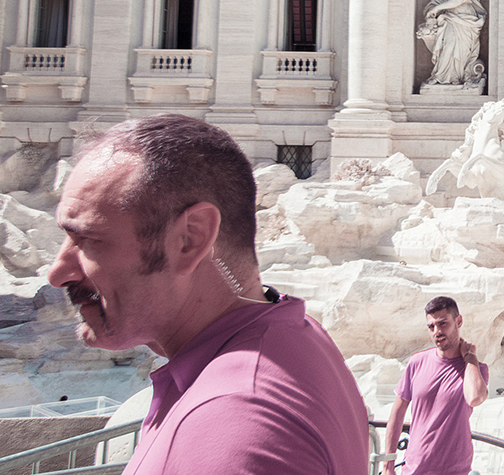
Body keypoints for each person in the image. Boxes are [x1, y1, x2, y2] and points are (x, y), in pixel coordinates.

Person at [46, 114, 369, 474]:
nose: (56, 273)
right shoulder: (294, 331)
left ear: (191, 239)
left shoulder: (234, 423)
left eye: (88, 240)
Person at [383, 296, 488, 475]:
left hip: (454, 470)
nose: (436, 331)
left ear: (458, 321)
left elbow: (475, 397)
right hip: (413, 468)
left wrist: (470, 357)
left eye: (443, 323)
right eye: (431, 326)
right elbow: (397, 413)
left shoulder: (475, 369)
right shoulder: (417, 362)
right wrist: (388, 464)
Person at [418, 0, 487, 87]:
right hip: (449, 18)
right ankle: (439, 76)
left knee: (462, 49)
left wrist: (438, 8)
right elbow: (436, 1)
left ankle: (457, 77)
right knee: (448, 46)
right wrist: (431, 11)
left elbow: (458, 1)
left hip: (466, 20)